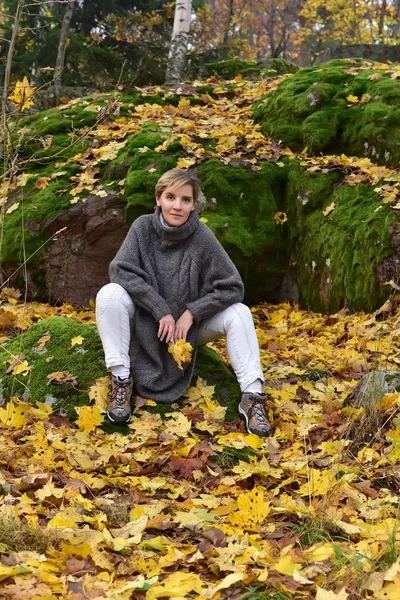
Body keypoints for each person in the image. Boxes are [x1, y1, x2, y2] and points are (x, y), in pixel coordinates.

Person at [95, 169, 272, 437]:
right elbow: (121, 271)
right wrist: (160, 309)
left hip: (189, 330)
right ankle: (121, 380)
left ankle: (253, 397)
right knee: (109, 293)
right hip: (146, 318)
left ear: (193, 204)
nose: (177, 206)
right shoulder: (142, 228)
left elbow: (233, 286)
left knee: (240, 312)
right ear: (159, 199)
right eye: (170, 197)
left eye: (185, 200)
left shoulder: (201, 237)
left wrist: (192, 312)